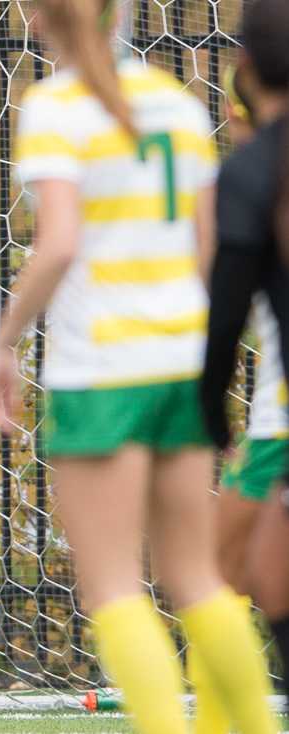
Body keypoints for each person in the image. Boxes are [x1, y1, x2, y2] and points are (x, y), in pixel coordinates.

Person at [0, 1, 278, 732]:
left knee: (115, 587)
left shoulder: (56, 108)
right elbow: (210, 248)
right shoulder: (175, 104)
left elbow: (57, 246)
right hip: (178, 364)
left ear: (37, 20)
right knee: (198, 579)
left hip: (101, 373)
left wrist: (3, 343)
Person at [200, 0, 289, 699]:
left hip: (278, 422)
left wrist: (210, 419)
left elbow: (223, 318)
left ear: (247, 70)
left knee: (220, 575)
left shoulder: (254, 174)